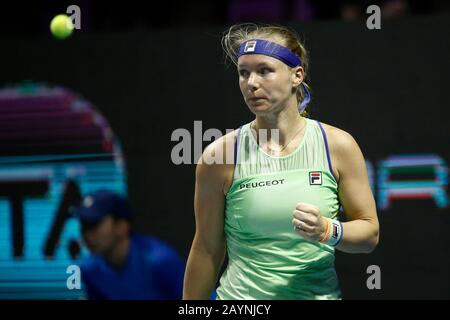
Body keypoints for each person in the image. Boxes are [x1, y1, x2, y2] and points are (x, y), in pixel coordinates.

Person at [183, 23, 379, 300]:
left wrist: (327, 230)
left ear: (296, 75)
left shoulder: (338, 145)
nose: (251, 83)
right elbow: (206, 249)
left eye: (264, 70)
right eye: (243, 73)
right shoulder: (218, 157)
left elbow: (369, 235)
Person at [76, 189, 184, 300]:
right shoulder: (88, 270)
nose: (87, 235)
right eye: (84, 226)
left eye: (94, 224)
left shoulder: (162, 262)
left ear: (122, 226)